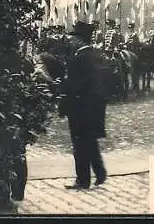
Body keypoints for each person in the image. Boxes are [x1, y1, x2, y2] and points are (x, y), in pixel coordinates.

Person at [60, 21, 108, 189]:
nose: (70, 40)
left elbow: (75, 84)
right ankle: (100, 172)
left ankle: (83, 180)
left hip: (81, 107)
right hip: (93, 107)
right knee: (89, 141)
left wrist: (63, 96)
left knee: (80, 143)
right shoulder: (94, 54)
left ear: (80, 40)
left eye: (73, 37)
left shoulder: (80, 57)